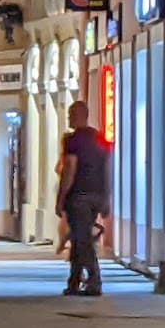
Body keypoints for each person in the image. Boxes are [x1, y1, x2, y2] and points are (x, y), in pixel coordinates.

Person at [56, 101, 111, 296]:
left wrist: (61, 197)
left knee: (82, 240)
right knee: (80, 238)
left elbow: (69, 169)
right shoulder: (100, 138)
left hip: (79, 195)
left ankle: (94, 280)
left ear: (79, 115)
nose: (69, 118)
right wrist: (106, 196)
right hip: (97, 195)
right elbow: (107, 168)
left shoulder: (73, 140)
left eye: (71, 114)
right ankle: (74, 280)